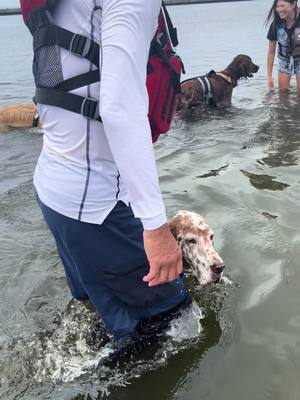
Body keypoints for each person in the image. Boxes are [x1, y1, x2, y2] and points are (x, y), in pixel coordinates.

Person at [21, 0, 190, 356]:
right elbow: (118, 106)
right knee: (172, 323)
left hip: (54, 190)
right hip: (95, 205)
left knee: (103, 317)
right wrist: (156, 228)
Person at [266, 0, 300, 91]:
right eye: (277, 6)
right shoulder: (275, 25)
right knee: (283, 91)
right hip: (284, 59)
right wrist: (269, 77)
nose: (279, 9)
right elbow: (271, 52)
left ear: (293, 4)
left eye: (282, 6)